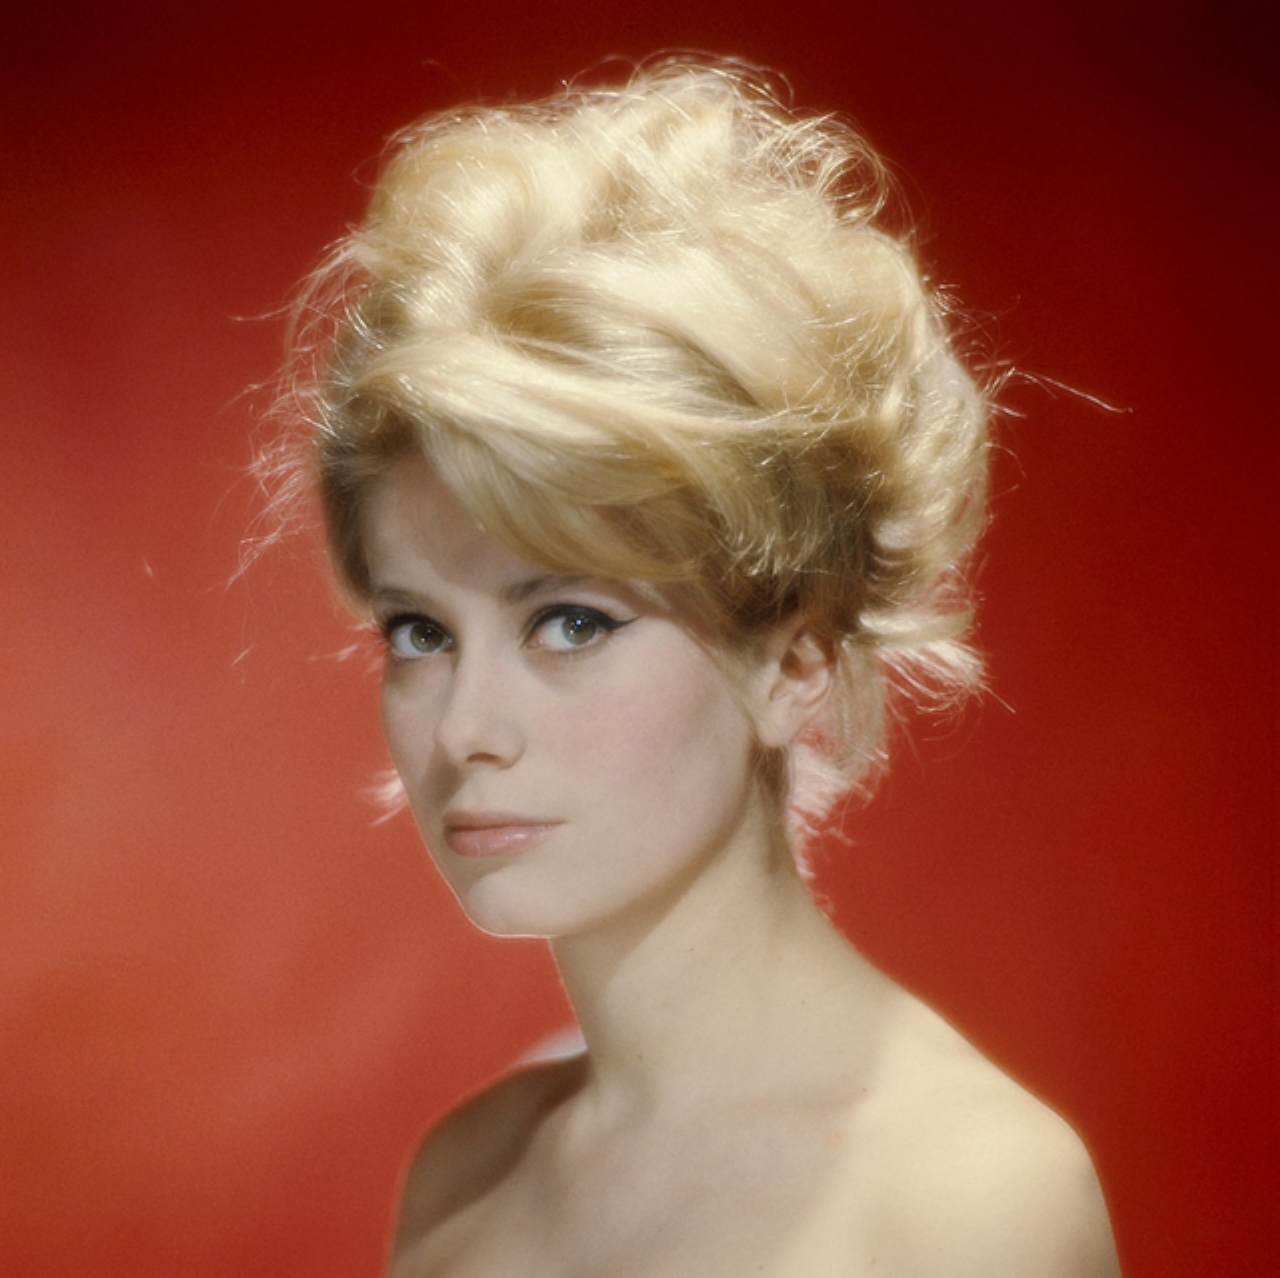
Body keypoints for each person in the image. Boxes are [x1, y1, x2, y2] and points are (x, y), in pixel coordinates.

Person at [274, 56, 1120, 1275]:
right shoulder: (468, 1175)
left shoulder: (963, 1208)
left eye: (570, 622)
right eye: (420, 632)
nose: (461, 730)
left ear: (792, 664)